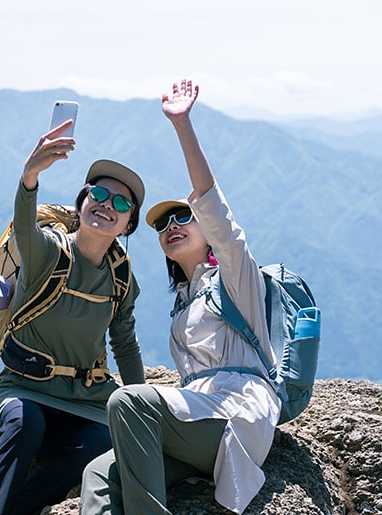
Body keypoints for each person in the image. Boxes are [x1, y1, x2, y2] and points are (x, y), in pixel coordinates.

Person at [80, 79, 281, 515]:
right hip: (196, 421)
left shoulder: (236, 278)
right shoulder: (184, 303)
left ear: (205, 229)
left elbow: (216, 208)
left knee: (129, 400)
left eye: (182, 216)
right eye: (161, 223)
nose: (171, 224)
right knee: (99, 472)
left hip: (234, 418)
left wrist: (182, 124)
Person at [0, 120, 147, 515]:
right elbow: (24, 224)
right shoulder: (47, 252)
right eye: (99, 194)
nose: (107, 204)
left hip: (86, 399)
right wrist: (29, 177)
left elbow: (124, 341)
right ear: (82, 201)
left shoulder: (120, 276)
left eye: (121, 203)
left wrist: (142, 405)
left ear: (129, 224)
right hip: (24, 387)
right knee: (23, 425)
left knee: (103, 443)